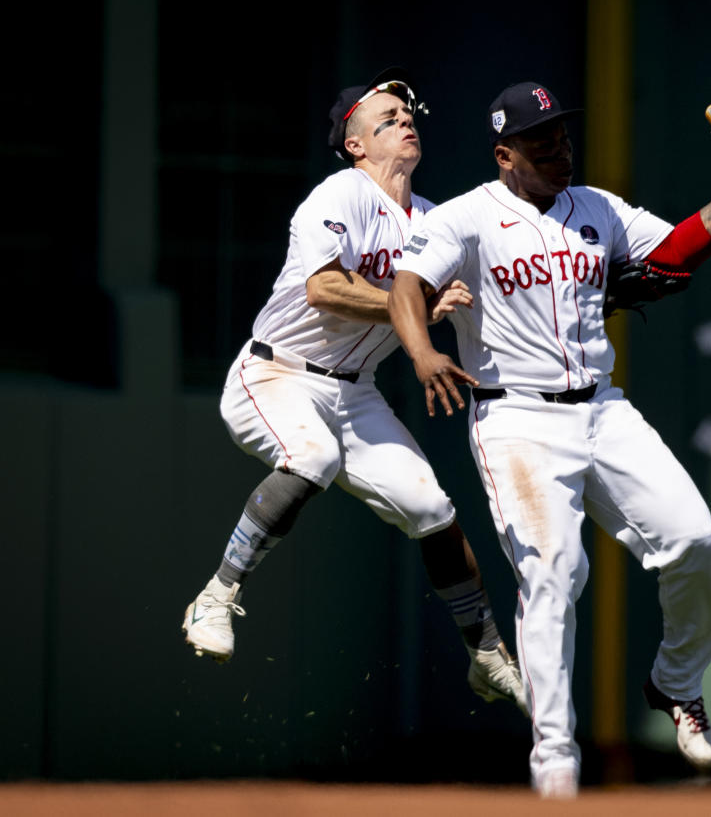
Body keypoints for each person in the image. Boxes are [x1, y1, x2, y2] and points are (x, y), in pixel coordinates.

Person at [388, 80, 711, 797]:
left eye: (562, 136)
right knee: (554, 577)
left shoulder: (596, 206)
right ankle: (555, 765)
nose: (560, 150)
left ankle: (676, 684)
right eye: (541, 142)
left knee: (694, 539)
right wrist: (420, 351)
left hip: (602, 409)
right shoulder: (467, 217)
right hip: (517, 421)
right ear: (505, 154)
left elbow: (677, 254)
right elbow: (406, 287)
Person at [180, 67, 527, 717]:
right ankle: (218, 595)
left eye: (407, 113)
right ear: (356, 143)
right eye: (386, 117)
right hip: (277, 373)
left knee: (432, 508)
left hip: (355, 394)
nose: (405, 120)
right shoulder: (339, 194)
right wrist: (418, 303)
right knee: (312, 457)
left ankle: (485, 654)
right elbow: (325, 289)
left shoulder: (432, 219)